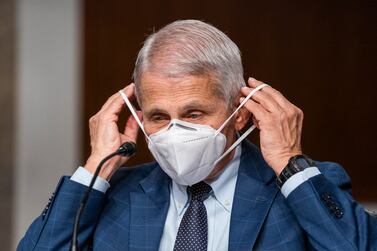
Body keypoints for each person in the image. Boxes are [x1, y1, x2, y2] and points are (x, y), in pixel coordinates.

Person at [18, 20, 376, 251]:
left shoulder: (306, 189)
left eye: (194, 113)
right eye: (159, 116)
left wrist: (289, 163)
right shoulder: (114, 197)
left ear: (241, 114)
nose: (175, 132)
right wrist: (95, 168)